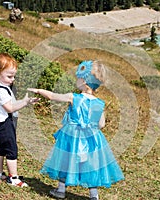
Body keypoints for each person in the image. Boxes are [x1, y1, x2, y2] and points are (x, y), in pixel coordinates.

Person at [28, 60, 124, 199]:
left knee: (65, 160)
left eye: (78, 78)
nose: (76, 80)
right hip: (92, 137)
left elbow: (53, 96)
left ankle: (61, 190)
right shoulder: (99, 103)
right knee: (91, 165)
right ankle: (94, 195)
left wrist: (38, 90)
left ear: (84, 81)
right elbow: (101, 124)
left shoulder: (74, 97)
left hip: (72, 135)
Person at [0, 53, 39, 187]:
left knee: (1, 148)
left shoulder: (1, 86)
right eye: (9, 76)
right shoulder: (0, 91)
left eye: (13, 76)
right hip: (3, 125)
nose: (12, 79)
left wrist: (25, 101)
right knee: (12, 150)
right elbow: (10, 108)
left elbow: (13, 104)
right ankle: (13, 178)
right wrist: (25, 103)